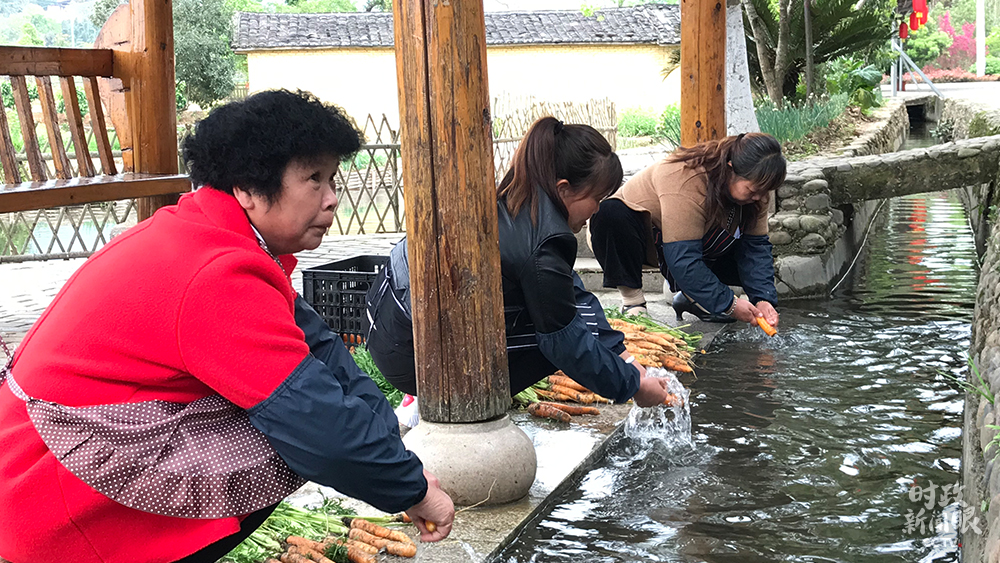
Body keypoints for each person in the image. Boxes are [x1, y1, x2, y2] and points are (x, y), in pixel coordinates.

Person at [0, 90, 454, 563]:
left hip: (55, 461)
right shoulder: (215, 273)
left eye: (332, 179)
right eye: (313, 179)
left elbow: (321, 351)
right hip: (52, 494)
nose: (332, 199)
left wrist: (400, 459)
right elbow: (318, 423)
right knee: (288, 431)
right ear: (248, 189)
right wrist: (414, 491)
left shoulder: (210, 234)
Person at [363, 117, 672, 412]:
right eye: (597, 199)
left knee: (561, 320)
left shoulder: (516, 197)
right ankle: (459, 407)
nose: (597, 210)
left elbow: (572, 293)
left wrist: (626, 359)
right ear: (564, 188)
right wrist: (633, 387)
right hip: (414, 356)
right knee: (556, 342)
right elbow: (566, 343)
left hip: (384, 323)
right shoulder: (543, 240)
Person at [589, 132, 786, 325]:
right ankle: (633, 303)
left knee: (748, 261)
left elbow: (756, 248)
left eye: (764, 192)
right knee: (611, 213)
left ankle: (693, 298)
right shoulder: (685, 177)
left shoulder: (756, 194)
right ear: (730, 168)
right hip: (641, 238)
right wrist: (729, 304)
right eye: (752, 190)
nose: (759, 197)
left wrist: (763, 298)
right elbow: (683, 259)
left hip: (698, 243)